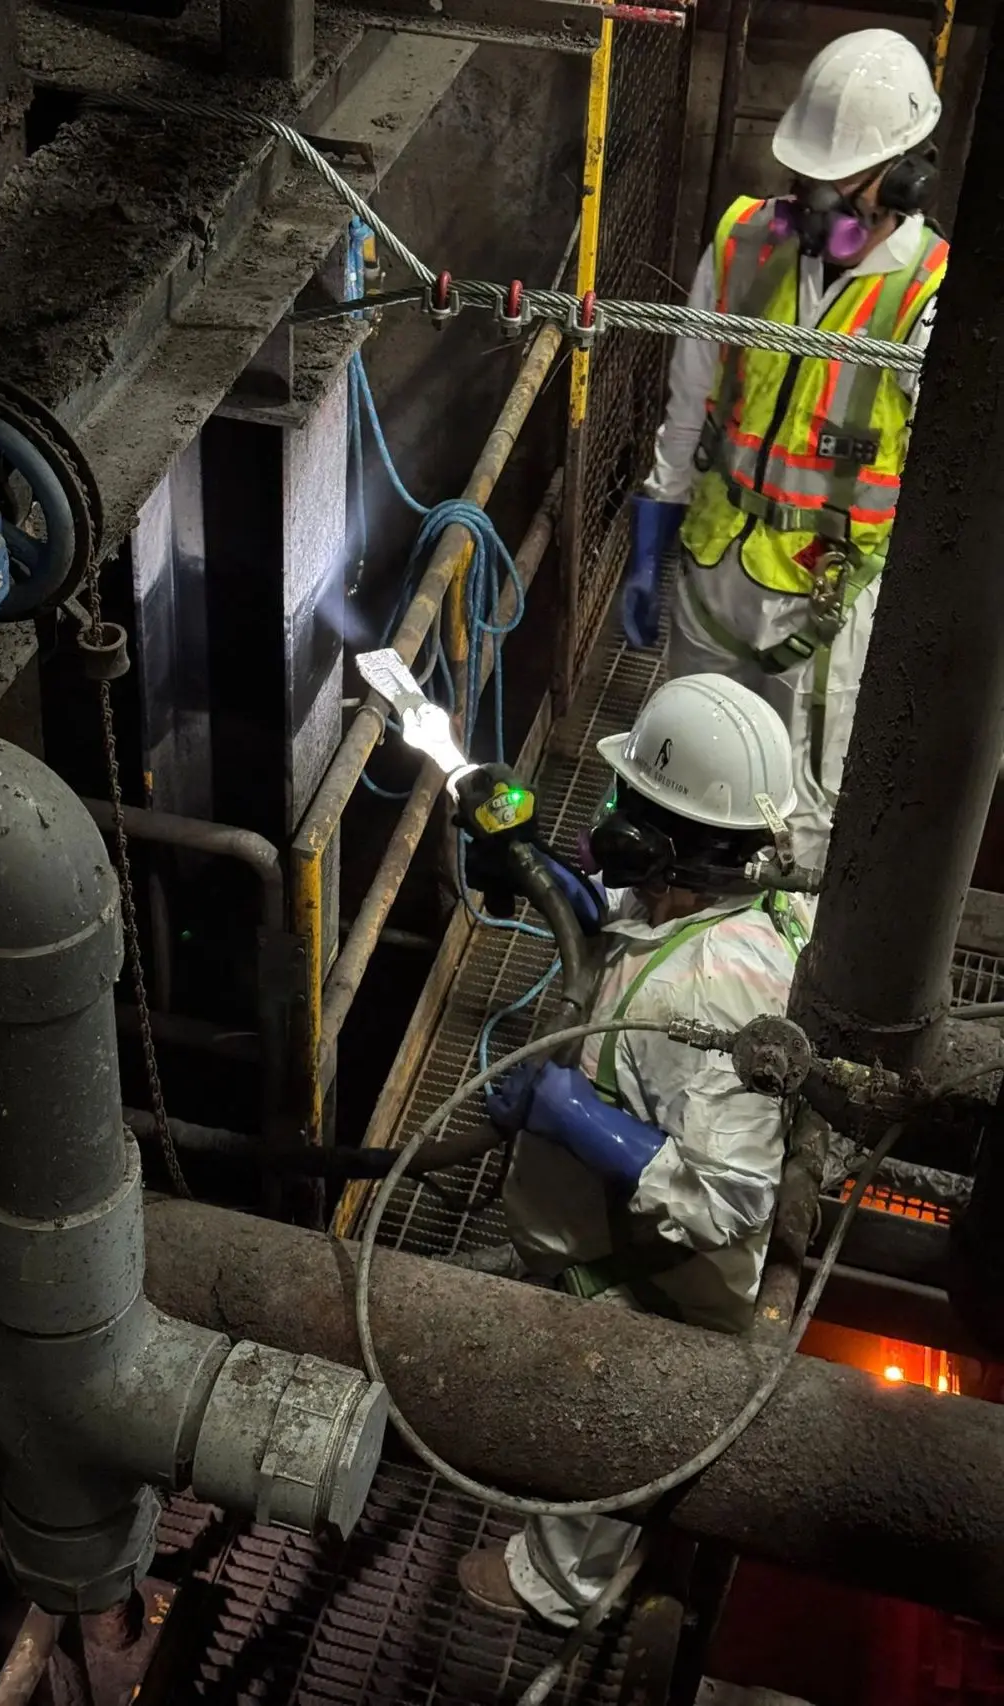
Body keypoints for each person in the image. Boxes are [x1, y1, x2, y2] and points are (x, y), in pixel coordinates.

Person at [456, 674, 815, 1627]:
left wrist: (571, 1113)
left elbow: (729, 1198)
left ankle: (561, 1583)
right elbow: (642, 939)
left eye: (626, 805)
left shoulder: (712, 994)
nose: (606, 814)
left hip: (653, 1286)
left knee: (608, 1418)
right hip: (621, 1242)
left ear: (650, 844)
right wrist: (542, 875)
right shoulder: (739, 906)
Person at [621, 29, 949, 868]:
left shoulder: (931, 300)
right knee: (684, 765)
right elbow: (689, 399)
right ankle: (666, 924)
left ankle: (772, 964)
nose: (820, 204)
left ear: (907, 177)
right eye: (809, 180)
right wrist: (651, 538)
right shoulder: (742, 241)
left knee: (804, 813)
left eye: (844, 185)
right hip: (712, 568)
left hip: (825, 601)